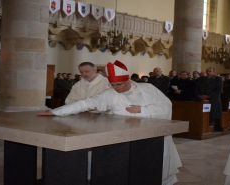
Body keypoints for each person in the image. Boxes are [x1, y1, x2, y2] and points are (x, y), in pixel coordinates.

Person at [38, 60, 182, 185]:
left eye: (118, 84)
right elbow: (87, 103)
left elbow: (166, 105)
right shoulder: (111, 94)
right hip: (124, 138)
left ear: (128, 81)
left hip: (151, 138)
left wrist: (142, 110)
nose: (115, 88)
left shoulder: (148, 88)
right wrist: (56, 111)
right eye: (112, 85)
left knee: (147, 171)